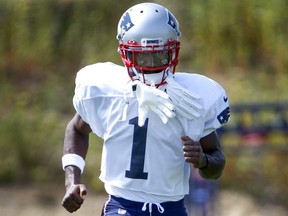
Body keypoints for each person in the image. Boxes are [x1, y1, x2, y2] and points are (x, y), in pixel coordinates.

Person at [61, 2, 230, 216]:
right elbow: (76, 129)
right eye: (142, 56)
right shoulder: (109, 90)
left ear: (173, 52)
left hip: (172, 209)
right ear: (126, 54)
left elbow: (216, 164)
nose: (152, 66)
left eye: (159, 56)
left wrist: (203, 161)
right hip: (122, 207)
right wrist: (71, 181)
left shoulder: (190, 98)